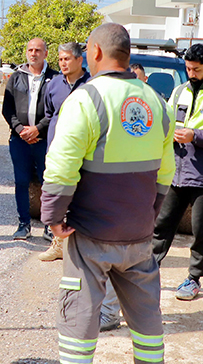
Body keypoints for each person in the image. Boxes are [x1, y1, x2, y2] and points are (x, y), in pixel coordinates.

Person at [41, 23, 173, 363]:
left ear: (95, 52)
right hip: (139, 235)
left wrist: (53, 216)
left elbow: (62, 166)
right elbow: (165, 172)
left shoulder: (86, 99)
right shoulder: (157, 103)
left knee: (79, 319)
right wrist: (149, 214)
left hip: (91, 234)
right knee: (147, 318)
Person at [152, 43, 203, 301]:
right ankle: (148, 270)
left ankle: (193, 278)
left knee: (202, 231)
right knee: (161, 225)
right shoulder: (179, 91)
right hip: (175, 172)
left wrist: (195, 135)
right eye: (187, 69)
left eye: (196, 69)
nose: (191, 74)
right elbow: (166, 122)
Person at [2, 38, 59, 240]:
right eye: (30, 50)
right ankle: (23, 224)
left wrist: (37, 129)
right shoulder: (16, 77)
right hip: (20, 141)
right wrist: (21, 130)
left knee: (48, 182)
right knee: (21, 181)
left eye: (38, 50)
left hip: (45, 141)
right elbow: (7, 109)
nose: (33, 53)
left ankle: (49, 226)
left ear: (46, 53)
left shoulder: (55, 78)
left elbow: (57, 110)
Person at [38, 41, 88, 261]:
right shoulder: (54, 84)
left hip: (84, 151)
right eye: (60, 59)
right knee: (59, 195)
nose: (62, 63)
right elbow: (49, 113)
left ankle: (80, 249)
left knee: (82, 198)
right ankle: (57, 245)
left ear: (79, 59)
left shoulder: (91, 84)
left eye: (67, 58)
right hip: (57, 150)